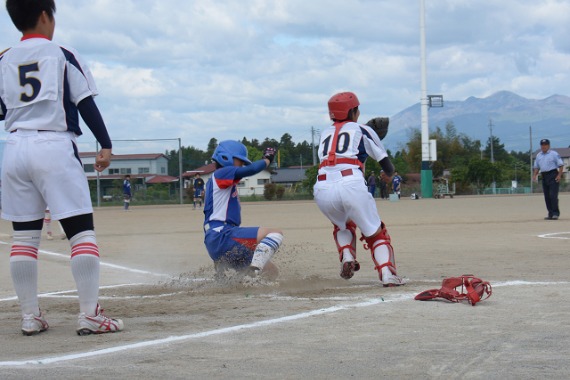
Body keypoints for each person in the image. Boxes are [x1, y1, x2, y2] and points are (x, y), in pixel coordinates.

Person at [0, 0, 123, 336]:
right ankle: (89, 314)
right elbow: (85, 102)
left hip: (13, 148)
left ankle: (30, 316)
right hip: (53, 145)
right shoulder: (62, 54)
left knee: (24, 238)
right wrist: (106, 144)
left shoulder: (4, 58)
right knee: (81, 232)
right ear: (45, 15)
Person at [313, 91, 405, 286]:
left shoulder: (324, 133)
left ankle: (347, 256)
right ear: (353, 111)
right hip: (350, 184)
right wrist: (389, 174)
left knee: (342, 225)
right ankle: (387, 274)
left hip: (322, 187)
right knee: (376, 233)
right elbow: (387, 166)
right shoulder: (362, 129)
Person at [203, 140, 284, 279]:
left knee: (271, 272)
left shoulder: (218, 180)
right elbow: (251, 169)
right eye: (239, 160)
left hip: (217, 239)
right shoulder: (222, 173)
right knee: (275, 233)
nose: (241, 164)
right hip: (223, 235)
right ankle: (254, 270)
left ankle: (245, 279)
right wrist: (267, 159)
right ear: (225, 158)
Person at [532, 139, 564, 220]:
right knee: (547, 196)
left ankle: (555, 213)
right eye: (542, 145)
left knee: (553, 195)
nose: (544, 146)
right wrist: (534, 175)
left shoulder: (554, 154)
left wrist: (559, 175)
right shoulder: (539, 155)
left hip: (553, 174)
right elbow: (536, 167)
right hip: (544, 175)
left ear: (549, 145)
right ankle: (550, 213)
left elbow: (560, 165)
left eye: (545, 144)